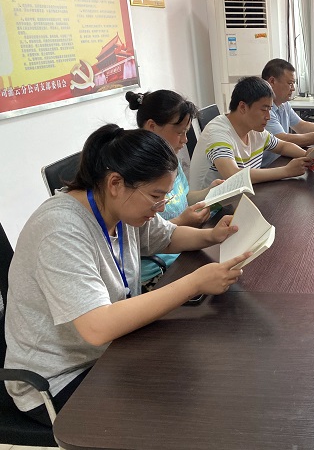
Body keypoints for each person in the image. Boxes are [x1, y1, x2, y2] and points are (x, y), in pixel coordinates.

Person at [4, 124, 250, 425]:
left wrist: (211, 236)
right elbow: (97, 328)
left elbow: (166, 236)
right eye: (156, 196)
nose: (160, 207)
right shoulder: (60, 231)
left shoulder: (119, 208)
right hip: (60, 379)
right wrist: (195, 282)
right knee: (182, 413)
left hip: (110, 350)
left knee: (206, 374)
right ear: (115, 183)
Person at [125, 90, 224, 289]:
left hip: (183, 247)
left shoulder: (170, 159)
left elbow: (183, 197)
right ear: (152, 127)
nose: (185, 140)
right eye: (180, 132)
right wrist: (182, 221)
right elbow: (140, 238)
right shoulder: (135, 171)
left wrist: (209, 193)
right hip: (160, 268)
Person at [189, 76, 313, 191]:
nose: (268, 117)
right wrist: (286, 171)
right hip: (211, 206)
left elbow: (282, 146)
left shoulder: (254, 128)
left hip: (241, 196)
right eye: (264, 109)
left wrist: (308, 156)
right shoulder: (218, 132)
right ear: (243, 107)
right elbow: (233, 175)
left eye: (269, 110)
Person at [262, 58, 314, 147]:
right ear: (272, 81)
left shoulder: (284, 104)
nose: (293, 89)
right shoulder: (263, 110)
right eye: (290, 83)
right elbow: (282, 140)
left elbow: (301, 126)